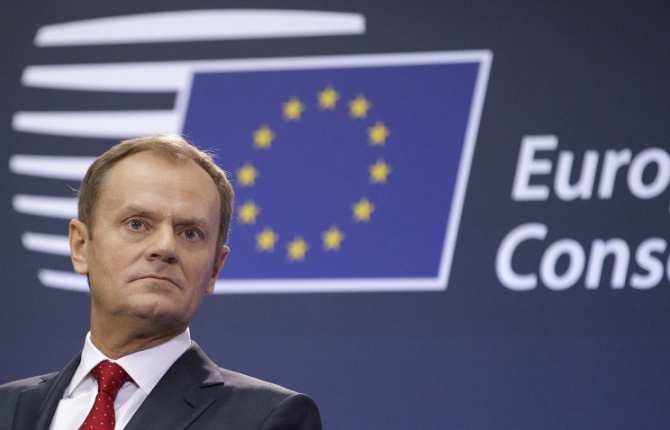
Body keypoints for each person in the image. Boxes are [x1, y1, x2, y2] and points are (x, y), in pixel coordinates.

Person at [0, 135, 322, 429]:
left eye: (190, 233)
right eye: (137, 224)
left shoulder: (266, 419)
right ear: (81, 246)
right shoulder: (8, 408)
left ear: (214, 269)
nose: (165, 247)